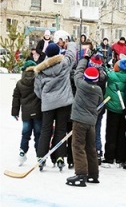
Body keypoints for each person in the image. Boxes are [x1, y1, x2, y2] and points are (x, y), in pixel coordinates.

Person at [34, 32, 76, 172]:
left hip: (47, 104)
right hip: (64, 102)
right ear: (58, 52)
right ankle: (59, 157)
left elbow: (37, 90)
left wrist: (45, 97)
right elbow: (71, 54)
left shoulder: (41, 69)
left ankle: (41, 158)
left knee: (45, 130)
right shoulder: (64, 64)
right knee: (61, 129)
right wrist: (69, 41)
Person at [66, 51, 103, 187]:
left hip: (80, 121)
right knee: (91, 148)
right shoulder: (98, 90)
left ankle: (81, 174)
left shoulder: (81, 85)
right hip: (91, 122)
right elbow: (100, 102)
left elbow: (78, 72)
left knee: (78, 146)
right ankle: (93, 174)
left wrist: (85, 58)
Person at [11, 60, 42, 166]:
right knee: (38, 135)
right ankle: (40, 156)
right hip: (38, 112)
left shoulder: (19, 83)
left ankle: (22, 152)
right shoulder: (39, 80)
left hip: (26, 114)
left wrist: (15, 112)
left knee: (25, 134)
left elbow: (16, 98)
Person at [102, 59, 126, 167]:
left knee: (111, 133)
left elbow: (105, 71)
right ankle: (120, 157)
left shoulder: (112, 76)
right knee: (121, 133)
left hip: (112, 108)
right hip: (123, 109)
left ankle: (109, 157)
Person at [87, 54, 107, 165]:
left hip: (91, 106)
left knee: (91, 129)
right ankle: (98, 150)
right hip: (100, 105)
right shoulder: (104, 75)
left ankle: (93, 150)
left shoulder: (91, 75)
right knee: (97, 129)